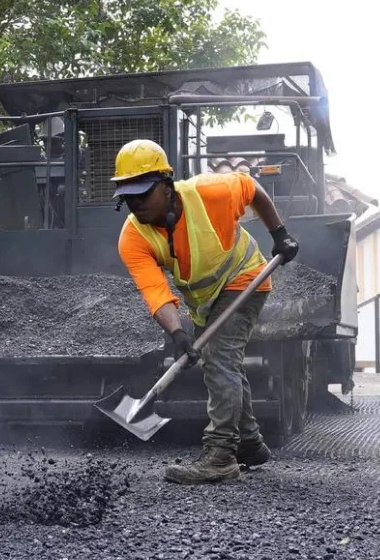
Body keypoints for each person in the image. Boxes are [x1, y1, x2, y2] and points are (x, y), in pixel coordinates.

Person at [113, 139, 298, 484]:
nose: (135, 204)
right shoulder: (132, 238)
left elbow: (252, 187)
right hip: (204, 300)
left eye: (142, 193)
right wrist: (178, 334)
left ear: (166, 185)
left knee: (219, 355)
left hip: (245, 277)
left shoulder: (210, 192)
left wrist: (280, 233)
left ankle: (220, 456)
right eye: (127, 197)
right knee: (224, 361)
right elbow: (155, 291)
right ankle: (250, 444)